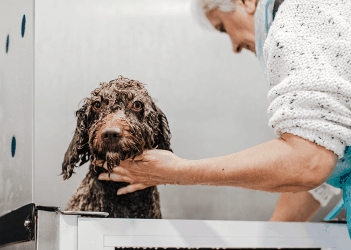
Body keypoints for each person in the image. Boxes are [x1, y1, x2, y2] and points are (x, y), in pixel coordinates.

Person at [95, 0, 351, 223]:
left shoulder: (296, 25)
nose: (234, 45)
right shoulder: (318, 20)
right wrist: (273, 238)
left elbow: (309, 161)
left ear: (247, 1)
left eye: (223, 27)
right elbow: (321, 162)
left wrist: (178, 172)